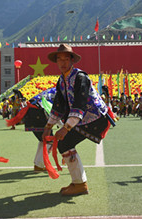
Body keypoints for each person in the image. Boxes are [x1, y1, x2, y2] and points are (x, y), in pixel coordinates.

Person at [42, 44, 114, 196]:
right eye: (59, 59)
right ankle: (78, 183)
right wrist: (48, 126)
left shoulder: (80, 77)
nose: (63, 62)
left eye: (66, 59)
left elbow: (79, 104)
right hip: (83, 119)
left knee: (65, 142)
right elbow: (58, 105)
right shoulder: (61, 80)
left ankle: (80, 184)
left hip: (95, 118)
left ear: (72, 60)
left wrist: (65, 128)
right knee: (64, 144)